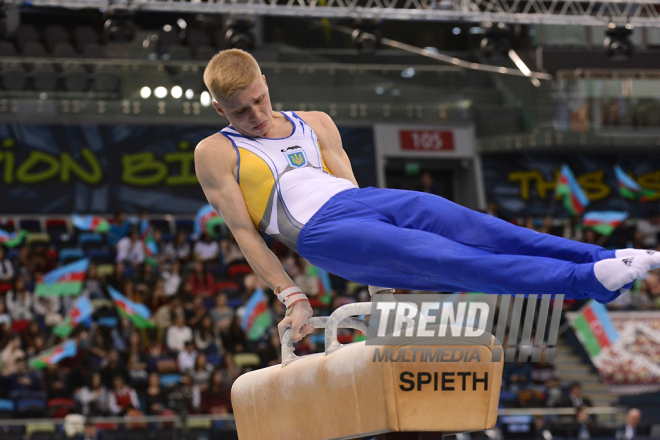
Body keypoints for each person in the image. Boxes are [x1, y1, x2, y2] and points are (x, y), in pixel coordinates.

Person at [195, 48, 660, 344]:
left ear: (265, 83)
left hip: (363, 203)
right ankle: (588, 281)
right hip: (323, 233)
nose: (256, 114)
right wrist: (292, 296)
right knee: (456, 259)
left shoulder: (314, 121)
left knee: (484, 229)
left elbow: (352, 189)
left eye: (260, 99)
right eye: (241, 109)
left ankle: (609, 255)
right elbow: (244, 233)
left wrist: (379, 278)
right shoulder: (216, 151)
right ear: (219, 108)